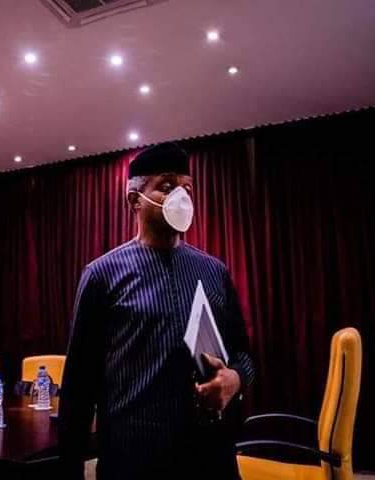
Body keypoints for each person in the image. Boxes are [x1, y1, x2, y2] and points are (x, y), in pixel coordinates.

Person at [59, 142, 255, 480]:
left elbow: (243, 354)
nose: (181, 197)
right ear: (134, 200)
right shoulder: (102, 275)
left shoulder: (214, 271)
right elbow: (79, 383)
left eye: (187, 188)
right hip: (134, 457)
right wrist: (70, 465)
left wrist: (234, 379)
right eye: (166, 186)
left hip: (210, 454)